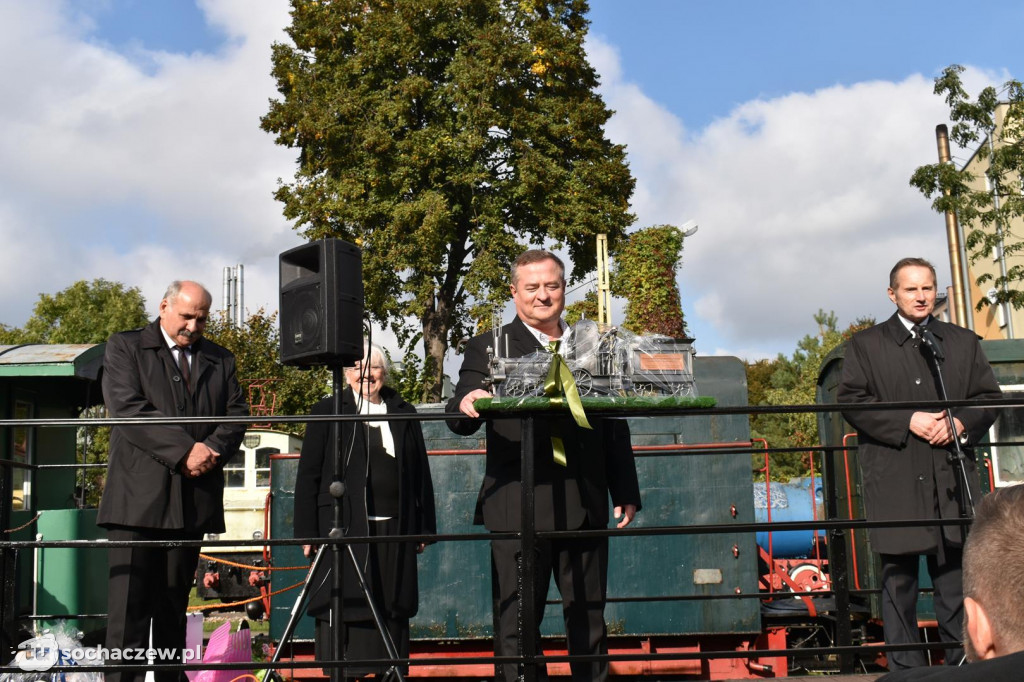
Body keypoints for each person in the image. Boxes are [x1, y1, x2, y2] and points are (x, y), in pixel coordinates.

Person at [446, 249, 642, 682]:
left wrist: (625, 489)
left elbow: (612, 420)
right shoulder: (488, 346)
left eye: (551, 286)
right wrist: (468, 401)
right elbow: (457, 415)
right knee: (516, 623)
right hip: (517, 505)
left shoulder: (595, 345)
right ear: (514, 292)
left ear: (564, 290)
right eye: (531, 287)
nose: (542, 296)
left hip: (585, 500)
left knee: (589, 620)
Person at [837, 257, 1001, 670]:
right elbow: (852, 401)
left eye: (928, 288)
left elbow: (988, 398)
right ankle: (906, 674)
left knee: (955, 589)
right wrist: (907, 420)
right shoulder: (866, 345)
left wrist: (960, 421)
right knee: (899, 589)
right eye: (911, 289)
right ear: (892, 294)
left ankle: (964, 669)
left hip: (951, 484)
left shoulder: (962, 341)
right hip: (895, 484)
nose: (921, 296)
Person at [98, 280, 248, 682]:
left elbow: (236, 415)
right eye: (186, 316)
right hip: (136, 504)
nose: (193, 326)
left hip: (191, 500)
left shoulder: (221, 359)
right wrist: (185, 451)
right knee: (127, 619)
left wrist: (211, 449)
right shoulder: (125, 347)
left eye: (201, 318)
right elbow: (128, 409)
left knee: (172, 613)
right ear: (164, 306)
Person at [294, 343, 436, 677]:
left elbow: (420, 474)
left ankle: (391, 671)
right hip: (343, 528)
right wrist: (306, 533)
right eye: (357, 368)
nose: (366, 375)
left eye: (373, 368)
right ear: (346, 374)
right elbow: (308, 476)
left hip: (396, 529)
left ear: (384, 374)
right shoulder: (327, 410)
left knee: (393, 603)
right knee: (346, 601)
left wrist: (425, 528)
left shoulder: (403, 411)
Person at [877, 484, 1024, 680]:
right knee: (899, 584)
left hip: (946, 486)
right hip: (898, 487)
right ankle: (906, 664)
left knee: (950, 584)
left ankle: (959, 660)